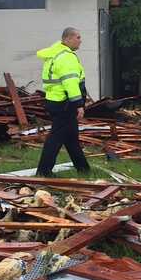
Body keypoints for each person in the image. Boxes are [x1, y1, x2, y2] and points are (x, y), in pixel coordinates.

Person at [35, 27, 91, 177]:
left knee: (71, 137)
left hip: (55, 100)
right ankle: (44, 171)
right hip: (65, 103)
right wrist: (79, 105)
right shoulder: (66, 57)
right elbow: (70, 83)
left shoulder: (55, 53)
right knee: (56, 138)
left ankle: (83, 169)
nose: (80, 40)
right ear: (67, 39)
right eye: (78, 37)